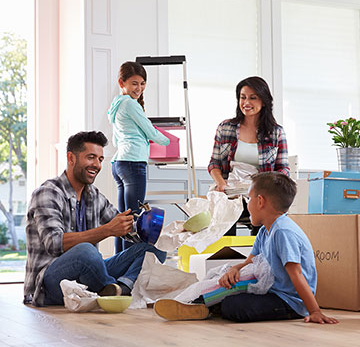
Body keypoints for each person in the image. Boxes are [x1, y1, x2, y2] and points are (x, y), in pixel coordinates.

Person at [154, 172, 339, 325]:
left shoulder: (283, 231)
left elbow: (296, 274)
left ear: (260, 201)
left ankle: (203, 306)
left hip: (289, 302)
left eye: (248, 198)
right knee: (227, 288)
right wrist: (235, 269)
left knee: (234, 306)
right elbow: (250, 261)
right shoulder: (266, 231)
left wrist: (314, 311)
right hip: (271, 291)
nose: (246, 204)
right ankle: (196, 303)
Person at [23, 131, 167, 307]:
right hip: (48, 284)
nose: (97, 165)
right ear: (71, 158)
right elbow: (54, 243)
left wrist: (150, 227)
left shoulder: (93, 196)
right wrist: (107, 230)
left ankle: (120, 288)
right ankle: (109, 289)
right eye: (91, 157)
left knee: (154, 249)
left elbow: (124, 227)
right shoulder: (48, 193)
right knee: (86, 251)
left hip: (85, 275)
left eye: (100, 159)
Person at [208, 76, 289, 235]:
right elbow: (214, 164)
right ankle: (225, 256)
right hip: (229, 190)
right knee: (223, 210)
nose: (246, 102)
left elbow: (283, 169)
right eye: (243, 97)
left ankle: (259, 255)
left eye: (253, 98)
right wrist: (221, 184)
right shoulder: (225, 127)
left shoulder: (276, 132)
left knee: (263, 210)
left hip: (260, 193)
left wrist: (268, 186)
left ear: (264, 101)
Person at [108, 61, 170, 253]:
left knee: (123, 220)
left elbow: (115, 139)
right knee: (133, 220)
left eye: (142, 83)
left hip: (120, 163)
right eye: (134, 83)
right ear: (122, 82)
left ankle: (117, 264)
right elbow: (151, 132)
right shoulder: (130, 104)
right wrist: (167, 140)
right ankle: (128, 268)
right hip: (133, 163)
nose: (139, 88)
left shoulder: (117, 104)